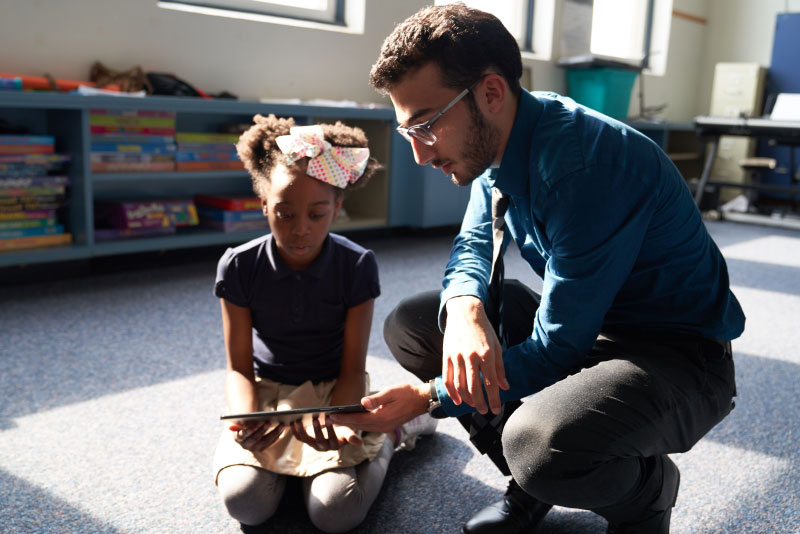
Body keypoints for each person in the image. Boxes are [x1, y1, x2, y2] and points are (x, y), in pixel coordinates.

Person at [331, 4, 744, 534]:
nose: (417, 153)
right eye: (408, 129)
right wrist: (463, 308)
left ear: (491, 92)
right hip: (592, 328)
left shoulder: (584, 169)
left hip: (678, 358)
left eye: (427, 126)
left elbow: (558, 347)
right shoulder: (497, 137)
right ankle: (533, 484)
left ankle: (647, 491)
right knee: (416, 325)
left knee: (534, 442)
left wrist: (429, 396)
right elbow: (473, 243)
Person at [212, 114, 437, 533]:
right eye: (284, 212)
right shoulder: (239, 266)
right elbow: (239, 368)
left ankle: (393, 433)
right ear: (264, 204)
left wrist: (341, 418)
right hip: (268, 394)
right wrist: (246, 419)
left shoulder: (356, 265)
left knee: (335, 513)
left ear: (337, 207)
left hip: (336, 392)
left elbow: (353, 368)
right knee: (244, 503)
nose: (301, 230)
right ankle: (287, 467)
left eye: (317, 214)